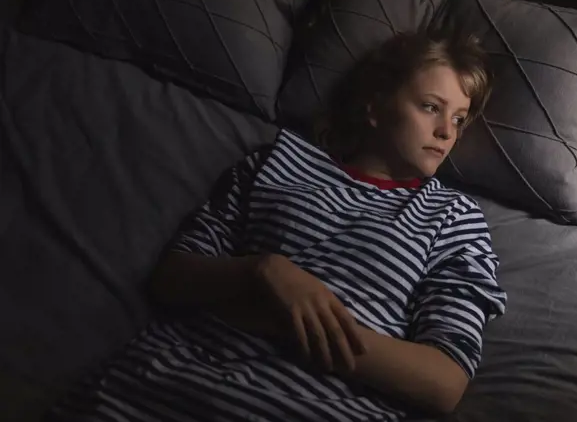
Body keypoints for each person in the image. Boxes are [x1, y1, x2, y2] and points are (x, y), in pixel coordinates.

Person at [48, 32, 507, 422]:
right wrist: (263, 271)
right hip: (153, 391)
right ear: (375, 107)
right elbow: (170, 278)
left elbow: (444, 381)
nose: (448, 132)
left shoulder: (454, 219)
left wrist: (290, 321)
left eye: (460, 119)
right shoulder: (277, 163)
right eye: (431, 107)